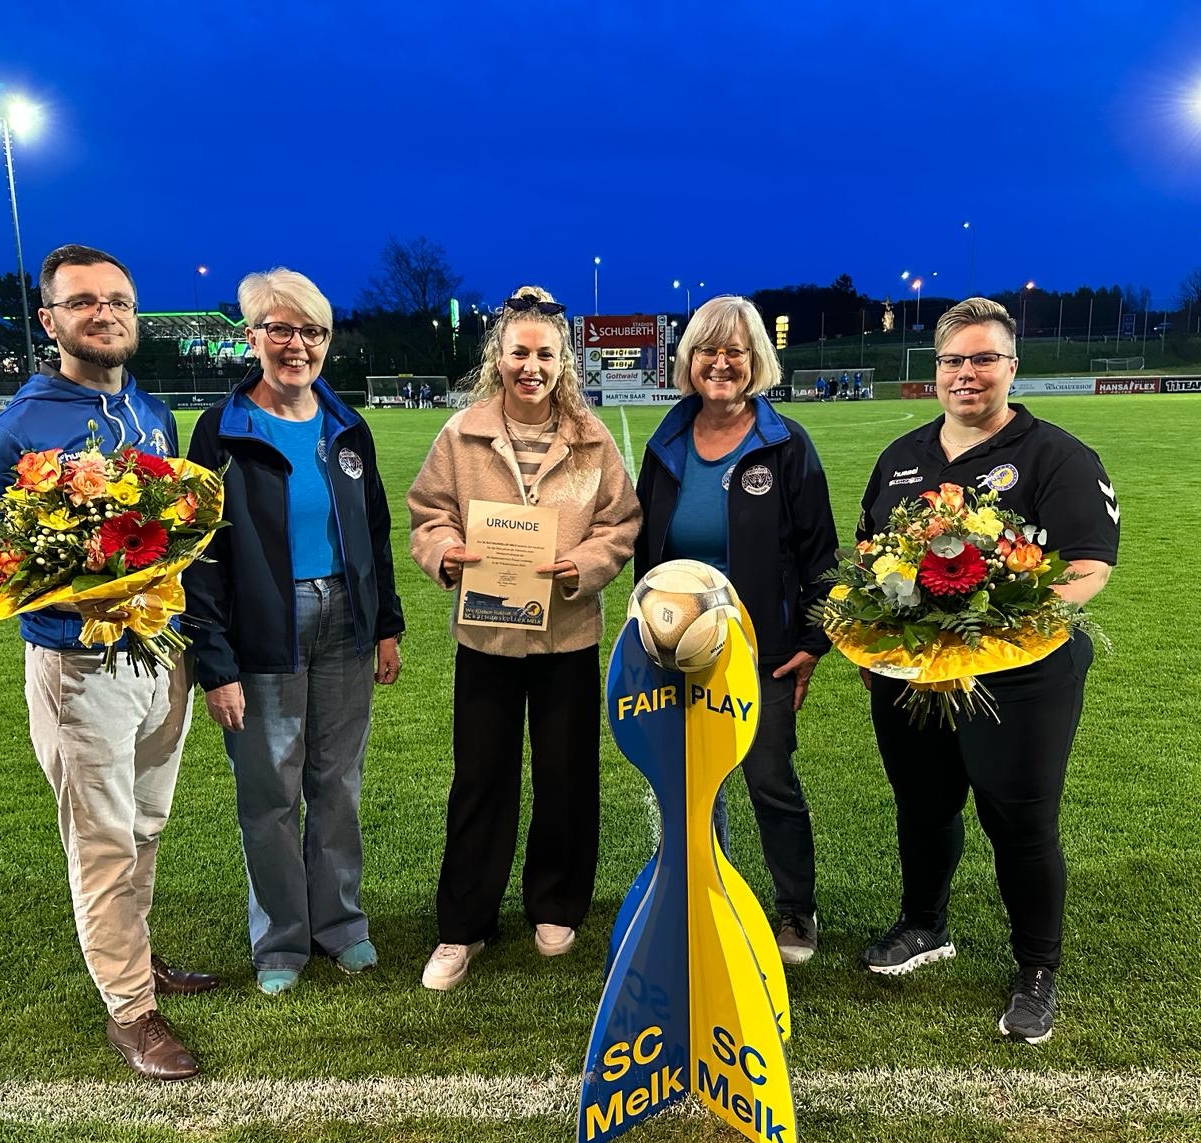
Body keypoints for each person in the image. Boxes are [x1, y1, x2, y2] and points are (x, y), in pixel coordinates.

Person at [0, 244, 216, 1082]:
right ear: (50, 320)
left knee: (144, 827)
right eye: (82, 303)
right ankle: (131, 1012)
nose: (103, 314)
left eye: (117, 301)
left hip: (158, 659)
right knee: (103, 842)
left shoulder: (152, 413)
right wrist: (80, 595)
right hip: (79, 671)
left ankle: (133, 962)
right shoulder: (15, 431)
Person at [856, 297, 1119, 1044]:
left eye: (983, 359)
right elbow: (871, 560)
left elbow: (1089, 567)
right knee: (924, 807)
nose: (966, 374)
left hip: (1020, 679)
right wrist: (876, 649)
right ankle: (923, 926)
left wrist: (996, 624)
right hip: (916, 679)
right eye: (952, 361)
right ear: (934, 370)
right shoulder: (901, 457)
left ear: (1011, 367)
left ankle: (1038, 966)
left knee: (1021, 823)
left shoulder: (1057, 456)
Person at [408, 286, 641, 991]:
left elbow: (622, 524)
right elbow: (428, 513)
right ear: (498, 358)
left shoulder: (593, 439)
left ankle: (557, 904)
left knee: (566, 779)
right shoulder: (460, 434)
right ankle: (464, 926)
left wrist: (588, 564)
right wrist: (445, 552)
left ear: (562, 361)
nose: (530, 366)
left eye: (544, 354)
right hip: (487, 638)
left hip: (567, 636)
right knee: (480, 781)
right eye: (519, 353)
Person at [185, 269, 405, 997]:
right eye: (280, 329)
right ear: (253, 337)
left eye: (312, 331)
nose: (297, 345)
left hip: (346, 618)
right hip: (263, 631)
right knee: (269, 791)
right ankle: (281, 937)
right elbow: (200, 556)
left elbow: (374, 535)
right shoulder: (220, 430)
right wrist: (214, 665)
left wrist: (387, 627)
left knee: (337, 783)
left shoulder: (347, 426)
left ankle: (339, 924)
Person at [633, 295, 839, 965]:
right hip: (674, 647)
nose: (720, 363)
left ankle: (795, 912)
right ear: (687, 362)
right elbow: (646, 549)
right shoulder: (666, 445)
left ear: (757, 362)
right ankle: (694, 892)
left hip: (763, 651)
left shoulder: (784, 444)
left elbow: (820, 556)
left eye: (735, 351)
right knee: (688, 781)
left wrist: (811, 643)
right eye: (707, 351)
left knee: (769, 779)